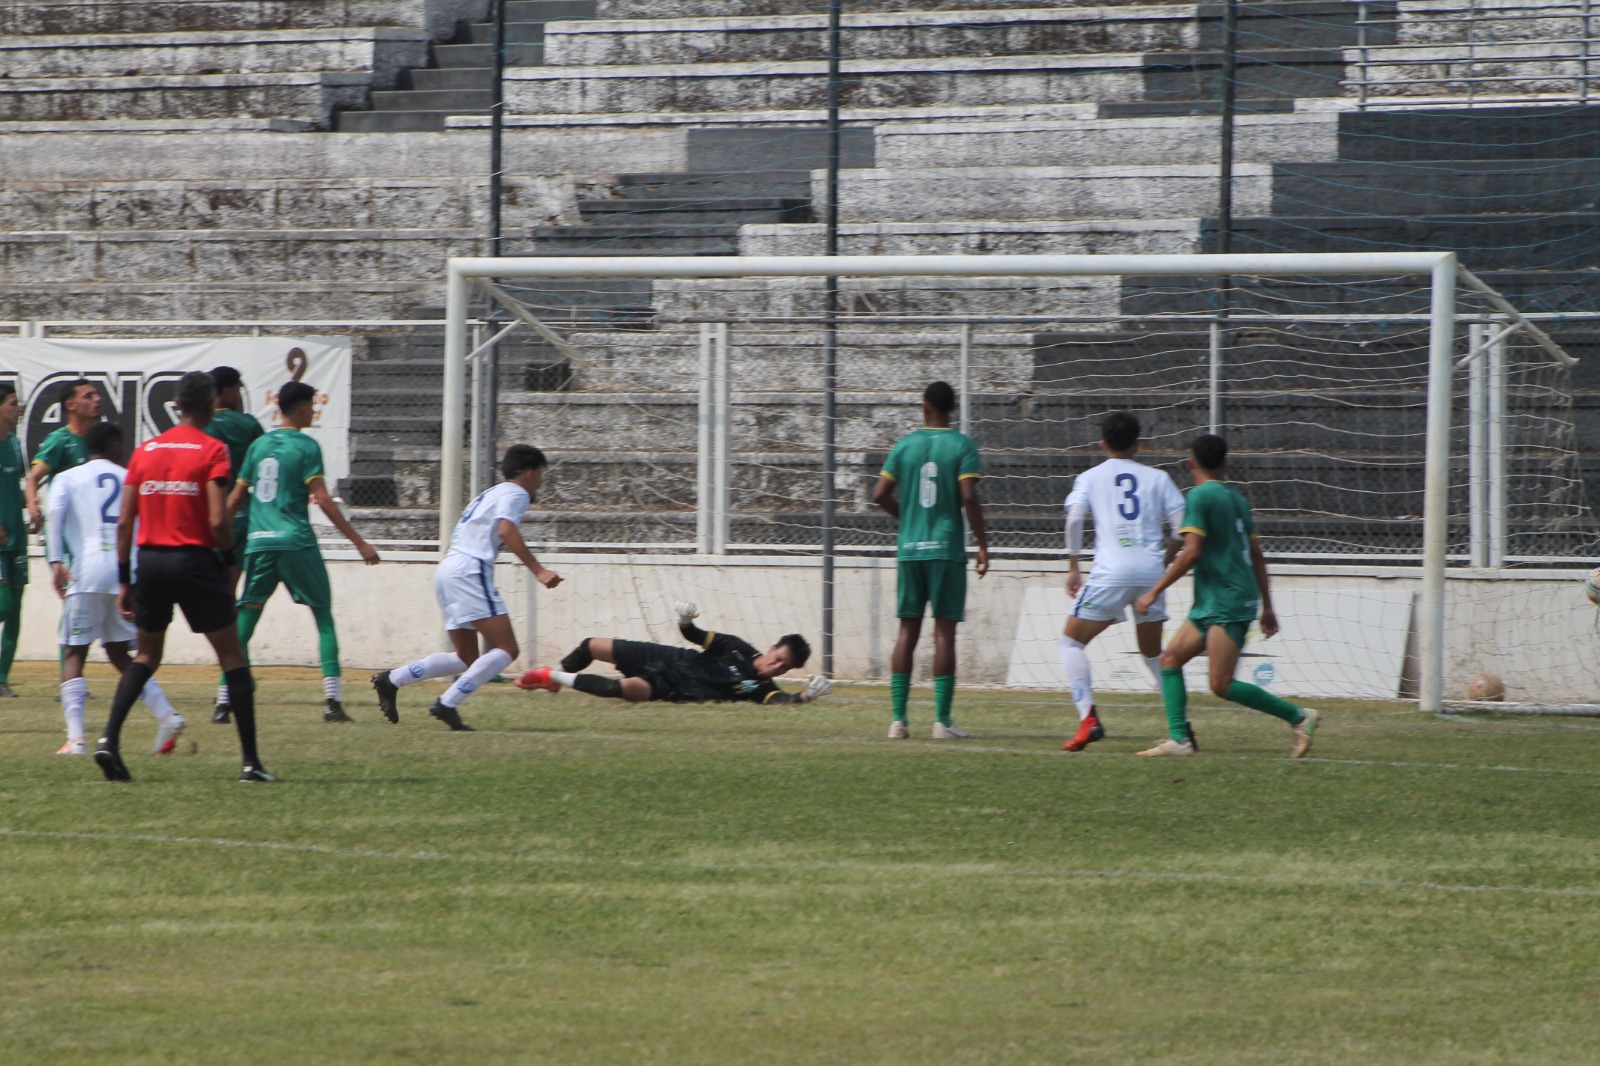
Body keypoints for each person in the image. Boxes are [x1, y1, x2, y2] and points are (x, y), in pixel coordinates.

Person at [92, 371, 271, 783]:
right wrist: (228, 558)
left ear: (177, 406)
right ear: (210, 406)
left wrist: (125, 580)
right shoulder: (213, 450)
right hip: (192, 560)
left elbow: (124, 524)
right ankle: (250, 763)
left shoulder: (145, 451)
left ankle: (108, 740)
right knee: (231, 658)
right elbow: (216, 518)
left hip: (150, 561)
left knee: (146, 657)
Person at [1132, 433, 1319, 758]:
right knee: (1170, 660)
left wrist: (1155, 590)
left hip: (1228, 601)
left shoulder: (1200, 497)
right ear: (1225, 464)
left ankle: (1299, 717)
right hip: (1217, 599)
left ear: (1191, 464)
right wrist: (1267, 607)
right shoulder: (1237, 500)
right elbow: (1258, 555)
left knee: (1220, 684)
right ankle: (1180, 739)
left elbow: (1191, 553)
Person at [370, 444, 562, 731]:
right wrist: (539, 570)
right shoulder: (516, 493)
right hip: (470, 570)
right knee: (507, 649)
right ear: (530, 472)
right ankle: (447, 703)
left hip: (450, 567)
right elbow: (506, 530)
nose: (541, 482)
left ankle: (392, 679)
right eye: (541, 475)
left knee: (465, 657)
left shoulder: (490, 494)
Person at [225, 381, 379, 723]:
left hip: (260, 542)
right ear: (300, 409)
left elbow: (235, 500)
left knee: (245, 622)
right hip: (296, 542)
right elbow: (323, 499)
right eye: (311, 406)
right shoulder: (307, 446)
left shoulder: (258, 445)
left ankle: (224, 701)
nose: (314, 411)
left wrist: (213, 535)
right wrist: (359, 542)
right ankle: (333, 703)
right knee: (323, 617)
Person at [46, 421, 187, 756]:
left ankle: (76, 739)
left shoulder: (69, 477)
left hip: (88, 571)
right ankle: (166, 714)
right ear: (113, 445)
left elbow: (54, 513)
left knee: (74, 651)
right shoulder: (130, 476)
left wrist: (55, 561)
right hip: (126, 572)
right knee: (119, 651)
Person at [1058, 411, 1187, 752]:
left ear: (1102, 444)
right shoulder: (1158, 478)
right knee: (1152, 653)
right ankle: (1182, 727)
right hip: (1150, 573)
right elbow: (1181, 529)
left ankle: (1088, 718)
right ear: (1138, 445)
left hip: (1110, 573)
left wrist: (1073, 566)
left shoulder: (1089, 477)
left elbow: (1074, 520)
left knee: (1070, 643)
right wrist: (1164, 559)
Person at [870, 380, 988, 740]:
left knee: (906, 632)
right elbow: (968, 496)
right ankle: (942, 721)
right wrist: (983, 543)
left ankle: (897, 720)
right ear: (952, 409)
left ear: (924, 407)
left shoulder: (905, 445)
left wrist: (906, 519)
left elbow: (879, 494)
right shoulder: (963, 445)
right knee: (944, 634)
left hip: (910, 549)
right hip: (946, 548)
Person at [517, 600, 831, 705]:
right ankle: (558, 678)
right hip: (665, 657)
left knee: (620, 690)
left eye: (783, 669)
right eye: (778, 659)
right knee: (591, 645)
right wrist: (685, 619)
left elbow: (783, 702)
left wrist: (805, 696)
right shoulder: (736, 646)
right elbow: (693, 634)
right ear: (773, 647)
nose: (776, 668)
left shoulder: (763, 689)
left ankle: (549, 675)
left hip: (671, 686)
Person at [23, 378, 101, 699]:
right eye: (89, 395)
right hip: (66, 541)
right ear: (71, 405)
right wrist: (33, 503)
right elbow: (34, 478)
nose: (97, 399)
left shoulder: (96, 441)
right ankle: (67, 682)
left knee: (84, 606)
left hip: (89, 540)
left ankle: (73, 678)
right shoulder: (60, 440)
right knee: (74, 606)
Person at [203, 364, 265, 720]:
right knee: (236, 605)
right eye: (238, 388)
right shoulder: (248, 425)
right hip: (244, 521)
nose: (241, 394)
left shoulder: (203, 426)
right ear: (226, 391)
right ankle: (233, 683)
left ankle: (232, 683)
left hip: (211, 521)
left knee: (221, 607)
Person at [0, 384, 27, 699]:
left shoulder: (15, 444)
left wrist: (31, 504)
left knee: (16, 608)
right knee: (4, 605)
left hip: (17, 538)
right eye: (12, 403)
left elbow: (16, 485)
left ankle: (3, 677)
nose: (18, 409)